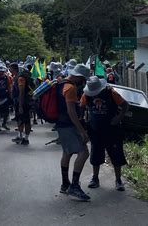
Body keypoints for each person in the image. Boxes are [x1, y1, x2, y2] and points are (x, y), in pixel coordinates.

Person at [80, 76, 129, 191]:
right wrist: (82, 119)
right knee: (96, 154)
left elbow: (125, 105)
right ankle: (95, 178)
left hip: (112, 129)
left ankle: (118, 180)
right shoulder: (86, 95)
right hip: (95, 130)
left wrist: (118, 117)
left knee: (116, 154)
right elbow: (81, 106)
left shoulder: (111, 92)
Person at [56, 64, 91, 201]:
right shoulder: (70, 88)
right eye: (83, 79)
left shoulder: (61, 84)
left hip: (61, 124)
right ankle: (74, 187)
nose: (83, 82)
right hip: (68, 125)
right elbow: (71, 111)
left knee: (67, 152)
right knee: (84, 152)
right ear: (78, 77)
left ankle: (65, 184)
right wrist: (82, 131)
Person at [9, 63, 32, 145]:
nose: (9, 70)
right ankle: (20, 136)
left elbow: (21, 92)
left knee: (26, 121)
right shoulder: (16, 77)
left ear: (13, 69)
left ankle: (26, 138)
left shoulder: (20, 78)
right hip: (19, 102)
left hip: (23, 102)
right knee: (20, 120)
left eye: (10, 69)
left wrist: (21, 106)